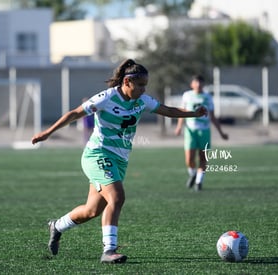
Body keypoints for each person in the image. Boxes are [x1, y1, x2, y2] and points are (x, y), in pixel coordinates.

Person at [31, 59, 207, 264]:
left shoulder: (142, 101)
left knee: (92, 210)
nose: (143, 90)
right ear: (127, 82)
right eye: (140, 85)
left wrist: (194, 113)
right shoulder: (107, 97)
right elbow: (75, 114)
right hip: (97, 155)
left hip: (119, 160)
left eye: (145, 86)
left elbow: (168, 110)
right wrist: (47, 133)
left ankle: (57, 226)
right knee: (117, 197)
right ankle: (109, 250)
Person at [175, 74, 228, 191]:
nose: (198, 85)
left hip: (204, 131)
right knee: (189, 159)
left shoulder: (208, 97)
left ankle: (199, 182)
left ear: (203, 84)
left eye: (201, 82)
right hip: (190, 130)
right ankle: (193, 174)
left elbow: (213, 117)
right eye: (196, 82)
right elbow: (182, 112)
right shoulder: (187, 95)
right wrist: (179, 127)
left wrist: (221, 132)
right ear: (192, 84)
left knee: (203, 158)